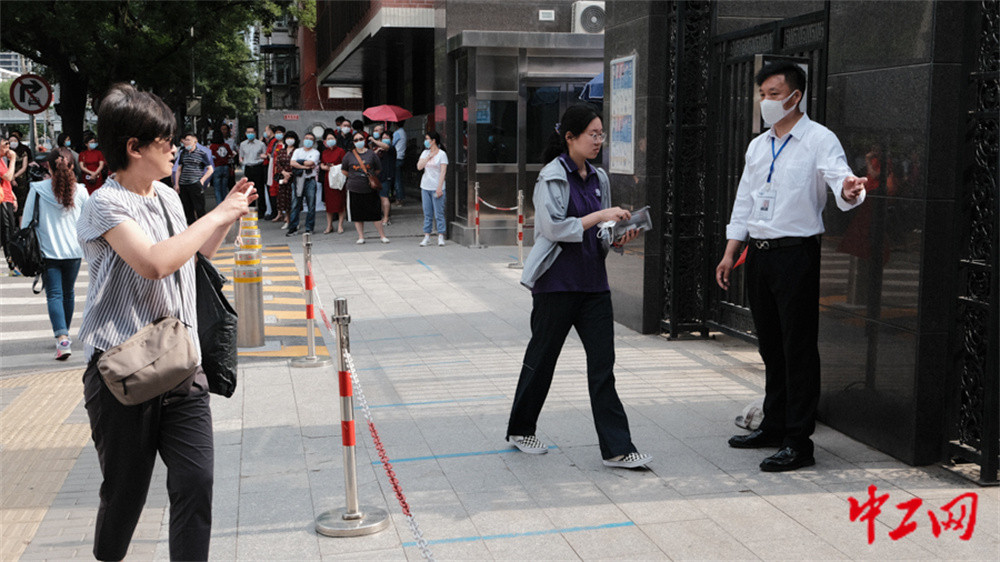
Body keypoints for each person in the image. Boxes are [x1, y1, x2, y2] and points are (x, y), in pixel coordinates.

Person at [76, 83, 256, 561]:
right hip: (123, 373)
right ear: (133, 148)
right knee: (125, 495)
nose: (174, 148)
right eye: (164, 141)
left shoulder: (167, 197)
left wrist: (224, 220)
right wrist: (215, 211)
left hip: (181, 363)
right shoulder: (103, 204)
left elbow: (192, 259)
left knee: (196, 482)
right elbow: (153, 262)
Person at [716, 61, 868, 472]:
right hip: (760, 254)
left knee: (797, 347)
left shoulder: (820, 139)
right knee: (769, 344)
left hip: (796, 253)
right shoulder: (757, 146)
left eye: (773, 94)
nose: (766, 102)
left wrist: (850, 190)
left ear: (795, 96)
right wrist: (732, 251)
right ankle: (774, 423)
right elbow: (744, 201)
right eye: (762, 94)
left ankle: (799, 441)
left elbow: (841, 181)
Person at [505, 104, 651, 469]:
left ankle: (618, 448)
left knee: (603, 366)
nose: (599, 141)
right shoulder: (551, 177)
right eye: (593, 134)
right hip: (556, 283)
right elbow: (554, 228)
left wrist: (617, 236)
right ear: (569, 137)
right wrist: (601, 215)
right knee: (542, 360)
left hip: (593, 285)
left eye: (602, 134)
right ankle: (521, 428)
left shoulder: (597, 177)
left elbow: (597, 233)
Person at [21, 148, 89, 359]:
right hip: (74, 251)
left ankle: (62, 338)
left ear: (48, 166)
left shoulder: (38, 189)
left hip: (47, 252)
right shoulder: (82, 191)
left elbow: (25, 222)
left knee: (54, 295)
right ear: (72, 167)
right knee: (68, 293)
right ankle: (64, 336)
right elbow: (89, 222)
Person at [341, 131, 387, 244]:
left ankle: (382, 236)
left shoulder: (371, 154)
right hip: (354, 188)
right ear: (353, 142)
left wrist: (369, 177)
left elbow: (378, 169)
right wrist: (354, 176)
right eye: (356, 140)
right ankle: (361, 237)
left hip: (370, 188)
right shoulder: (349, 155)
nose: (359, 142)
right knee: (357, 214)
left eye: (361, 139)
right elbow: (344, 170)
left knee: (375, 214)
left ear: (365, 140)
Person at [416, 131, 448, 247]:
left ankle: (440, 236)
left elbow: (443, 172)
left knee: (439, 213)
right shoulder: (425, 153)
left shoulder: (442, 154)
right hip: (425, 186)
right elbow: (419, 167)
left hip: (437, 187)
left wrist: (439, 187)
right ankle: (427, 236)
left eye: (427, 139)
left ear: (433, 140)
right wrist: (428, 156)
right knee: (427, 213)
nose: (426, 141)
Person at [174, 132, 214, 225]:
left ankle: (202, 228)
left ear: (195, 141)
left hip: (195, 184)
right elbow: (179, 169)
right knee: (187, 209)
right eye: (185, 140)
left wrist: (202, 181)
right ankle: (191, 229)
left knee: (199, 208)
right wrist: (176, 184)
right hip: (184, 184)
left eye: (188, 140)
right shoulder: (183, 153)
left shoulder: (202, 154)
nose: (185, 142)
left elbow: (210, 169)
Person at [286, 131, 322, 236]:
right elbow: (292, 163)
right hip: (298, 180)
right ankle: (293, 228)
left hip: (310, 180)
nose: (308, 140)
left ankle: (309, 228)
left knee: (311, 205)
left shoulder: (316, 152)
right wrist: (304, 166)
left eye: (310, 139)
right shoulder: (297, 151)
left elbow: (311, 163)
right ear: (303, 140)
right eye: (306, 138)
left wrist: (300, 162)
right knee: (295, 204)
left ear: (313, 141)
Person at [319, 129, 346, 234]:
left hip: (338, 178)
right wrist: (323, 167)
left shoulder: (341, 151)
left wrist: (335, 167)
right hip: (328, 179)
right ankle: (329, 225)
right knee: (329, 204)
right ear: (325, 141)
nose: (330, 140)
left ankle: (340, 225)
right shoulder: (324, 152)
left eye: (332, 138)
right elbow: (321, 163)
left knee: (340, 203)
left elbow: (345, 164)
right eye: (328, 139)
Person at [369, 124, 396, 227]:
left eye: (387, 138)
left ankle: (386, 217)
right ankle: (381, 215)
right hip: (377, 176)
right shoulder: (379, 149)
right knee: (379, 197)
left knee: (384, 197)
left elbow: (386, 146)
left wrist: (374, 140)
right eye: (383, 137)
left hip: (387, 176)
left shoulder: (391, 148)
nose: (384, 139)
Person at [238, 125, 267, 215]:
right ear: (245, 134)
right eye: (248, 132)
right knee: (249, 189)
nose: (250, 134)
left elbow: (265, 156)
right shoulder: (243, 144)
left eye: (252, 132)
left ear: (255, 133)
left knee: (260, 189)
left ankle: (262, 210)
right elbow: (241, 156)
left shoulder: (261, 144)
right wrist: (243, 162)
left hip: (258, 167)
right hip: (248, 168)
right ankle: (251, 209)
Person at [0, 138, 18, 274]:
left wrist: (13, 195)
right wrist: (13, 160)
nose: (8, 149)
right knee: (8, 233)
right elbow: (8, 176)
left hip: (7, 198)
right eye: (5, 146)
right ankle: (12, 266)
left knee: (7, 233)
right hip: (2, 201)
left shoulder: (2, 160)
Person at [273, 130, 297, 229]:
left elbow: (297, 163)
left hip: (294, 178)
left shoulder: (297, 151)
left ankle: (295, 221)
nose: (289, 140)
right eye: (287, 138)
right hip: (283, 178)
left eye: (291, 138)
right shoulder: (281, 151)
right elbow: (278, 163)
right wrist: (284, 173)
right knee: (285, 200)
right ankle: (287, 220)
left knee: (294, 200)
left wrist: (289, 174)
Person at [8, 131, 33, 219]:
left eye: (15, 140)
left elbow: (24, 167)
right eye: (11, 141)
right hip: (8, 179)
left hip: (21, 179)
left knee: (21, 201)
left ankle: (21, 222)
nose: (13, 143)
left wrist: (14, 177)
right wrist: (11, 179)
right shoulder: (6, 153)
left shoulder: (23, 151)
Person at [209, 129, 233, 207]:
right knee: (224, 188)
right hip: (226, 168)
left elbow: (210, 158)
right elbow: (231, 154)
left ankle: (220, 205)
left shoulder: (212, 146)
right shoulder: (226, 145)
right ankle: (226, 204)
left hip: (216, 168)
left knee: (217, 189)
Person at [391, 120, 407, 206]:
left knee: (397, 180)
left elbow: (391, 144)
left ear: (395, 124)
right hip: (401, 158)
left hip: (396, 158)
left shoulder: (397, 133)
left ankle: (399, 199)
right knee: (399, 179)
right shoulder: (403, 132)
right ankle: (401, 197)